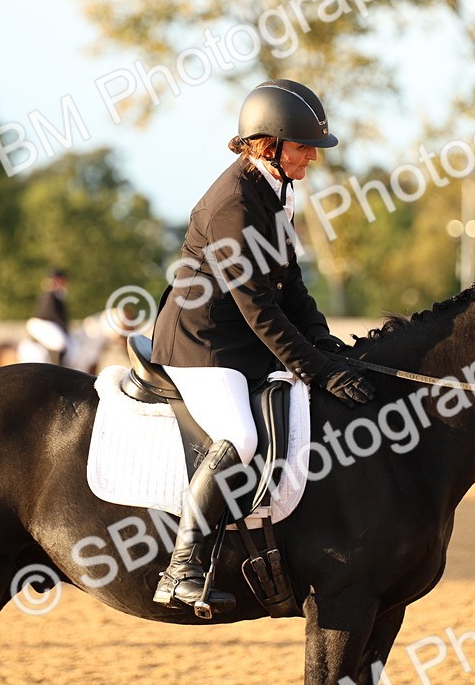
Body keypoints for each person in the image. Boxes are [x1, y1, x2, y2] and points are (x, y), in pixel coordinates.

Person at [148, 79, 375, 615]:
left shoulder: (276, 188)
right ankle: (182, 569)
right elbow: (257, 307)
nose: (311, 159)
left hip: (239, 337)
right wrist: (316, 369)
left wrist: (324, 343)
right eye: (303, 148)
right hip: (202, 342)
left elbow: (290, 285)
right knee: (240, 435)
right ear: (269, 144)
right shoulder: (233, 204)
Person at [27, 269, 71, 365]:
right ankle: (58, 368)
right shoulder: (50, 294)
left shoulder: (57, 294)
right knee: (60, 343)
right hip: (42, 324)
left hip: (45, 324)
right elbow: (54, 315)